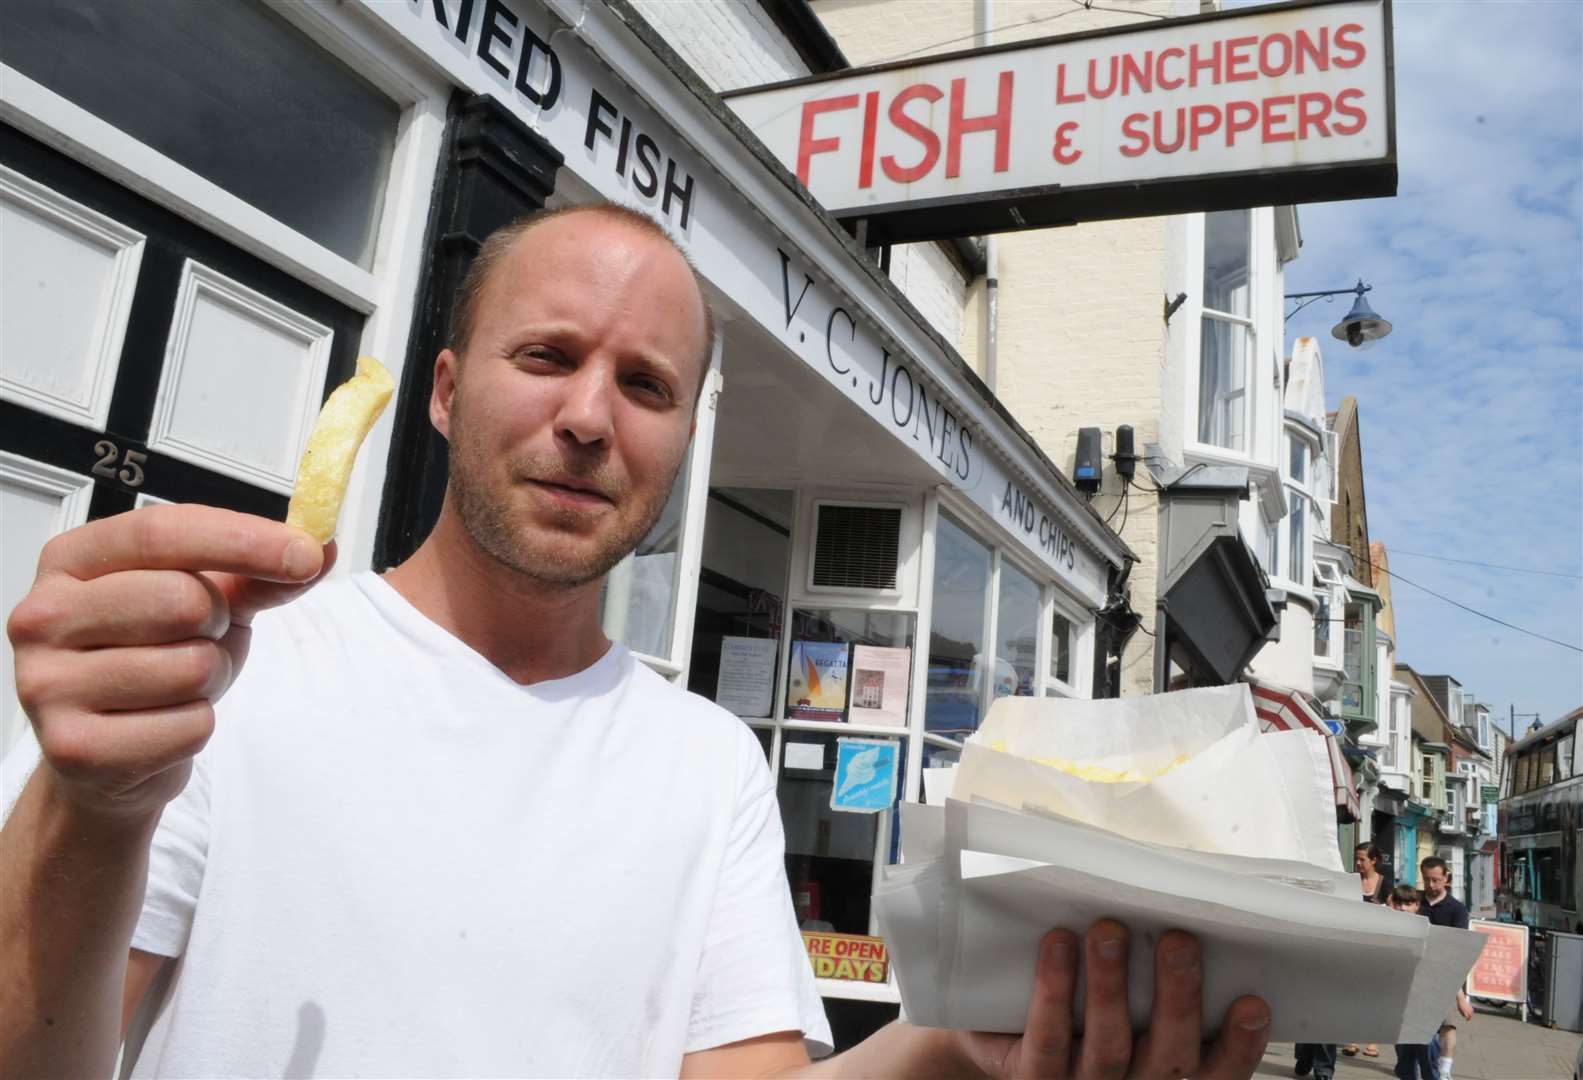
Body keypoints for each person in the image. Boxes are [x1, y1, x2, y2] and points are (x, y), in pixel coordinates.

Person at [0, 204, 1275, 1079]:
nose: (589, 419)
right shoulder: (235, 672)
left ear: (678, 443)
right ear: (444, 392)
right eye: (546, 356)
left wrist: (962, 1045)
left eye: (647, 385)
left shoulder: (706, 763)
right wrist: (93, 803)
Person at [1419, 857, 1475, 1080]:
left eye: (1436, 880)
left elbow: (1457, 949)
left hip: (1445, 973)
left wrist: (1460, 996)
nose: (1431, 885)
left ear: (1446, 878)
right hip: (1418, 972)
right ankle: (1426, 1065)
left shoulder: (1457, 910)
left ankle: (1445, 1069)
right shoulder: (1415, 902)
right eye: (1426, 880)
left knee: (1447, 1024)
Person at [1342, 842, 1392, 1058]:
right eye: (1357, 858)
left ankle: (1372, 1040)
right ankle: (1351, 1038)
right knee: (1353, 992)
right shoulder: (1350, 882)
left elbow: (1393, 912)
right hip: (1354, 943)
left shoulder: (1385, 884)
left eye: (1362, 859)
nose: (1358, 863)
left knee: (1374, 993)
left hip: (1378, 946)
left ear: (1374, 860)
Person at [1387, 886, 1440, 1080]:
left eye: (1408, 903)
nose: (1402, 908)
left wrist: (1459, 997)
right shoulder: (1389, 930)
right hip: (1399, 998)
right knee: (1404, 1052)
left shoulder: (1428, 929)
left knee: (1428, 1045)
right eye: (1399, 903)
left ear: (1417, 905)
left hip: (1425, 996)